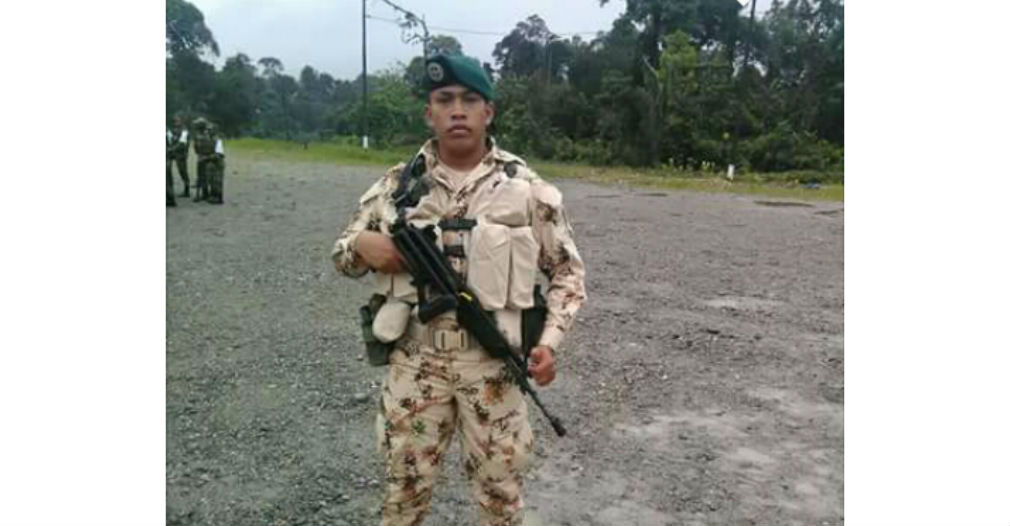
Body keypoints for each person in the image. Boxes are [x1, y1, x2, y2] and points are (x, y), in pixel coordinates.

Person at [330, 53, 586, 526]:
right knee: (403, 496)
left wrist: (549, 343)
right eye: (445, 100)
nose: (457, 110)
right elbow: (342, 255)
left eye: (470, 100)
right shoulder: (397, 185)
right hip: (414, 363)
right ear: (429, 113)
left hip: (493, 366)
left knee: (500, 501)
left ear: (489, 111)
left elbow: (568, 274)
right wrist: (364, 246)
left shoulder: (527, 189)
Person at [192, 118, 225, 204]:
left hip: (217, 163)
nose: (208, 131)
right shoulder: (207, 138)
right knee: (208, 179)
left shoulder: (218, 139)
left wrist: (205, 158)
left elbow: (219, 154)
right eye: (208, 129)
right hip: (209, 161)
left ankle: (218, 198)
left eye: (210, 130)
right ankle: (209, 195)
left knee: (217, 180)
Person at [167, 116, 191, 198]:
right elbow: (169, 139)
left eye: (178, 121)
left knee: (183, 171)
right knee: (167, 169)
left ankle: (187, 190)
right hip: (172, 152)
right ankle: (169, 189)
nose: (176, 122)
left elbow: (182, 143)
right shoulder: (172, 130)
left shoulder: (184, 130)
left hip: (181, 153)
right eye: (175, 121)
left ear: (181, 121)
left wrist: (171, 149)